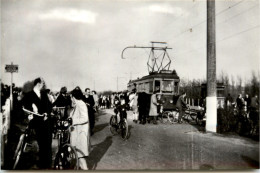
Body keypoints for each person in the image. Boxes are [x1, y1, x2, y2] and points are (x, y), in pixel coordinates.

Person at [22, 77, 52, 169]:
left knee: (47, 143)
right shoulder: (28, 95)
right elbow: (24, 108)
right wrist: (29, 114)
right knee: (40, 143)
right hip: (36, 123)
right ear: (38, 84)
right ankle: (41, 163)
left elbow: (49, 106)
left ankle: (47, 164)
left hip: (45, 122)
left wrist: (47, 113)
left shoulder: (44, 94)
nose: (43, 85)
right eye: (43, 83)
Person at [69, 87, 90, 170]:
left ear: (74, 97)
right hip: (78, 133)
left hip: (81, 134)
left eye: (71, 97)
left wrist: (73, 120)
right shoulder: (77, 104)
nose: (71, 99)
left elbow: (85, 118)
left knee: (81, 157)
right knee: (78, 155)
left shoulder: (81, 104)